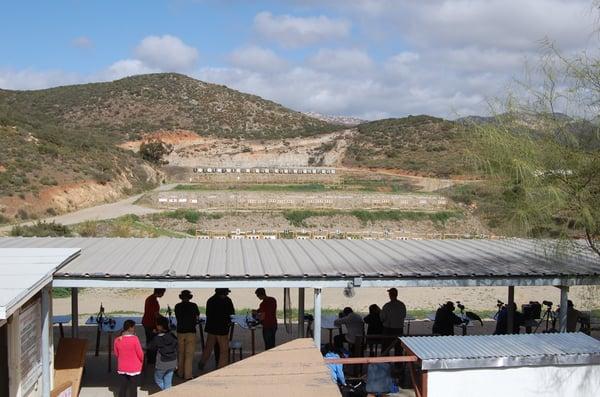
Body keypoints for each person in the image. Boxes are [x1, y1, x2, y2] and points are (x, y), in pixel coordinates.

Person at [198, 288, 235, 370]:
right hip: (222, 329)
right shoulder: (227, 300)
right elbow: (232, 313)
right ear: (223, 293)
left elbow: (208, 313)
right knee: (224, 350)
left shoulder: (210, 300)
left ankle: (202, 363)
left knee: (208, 347)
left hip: (211, 328)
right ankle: (221, 367)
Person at [114, 320, 144, 397]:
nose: (134, 329)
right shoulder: (135, 339)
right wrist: (141, 362)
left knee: (123, 387)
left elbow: (116, 354)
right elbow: (140, 354)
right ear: (130, 328)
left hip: (122, 367)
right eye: (134, 327)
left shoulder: (117, 340)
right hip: (134, 368)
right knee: (133, 388)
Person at [174, 289, 200, 380]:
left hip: (180, 331)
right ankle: (188, 375)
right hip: (191, 331)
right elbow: (197, 317)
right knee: (189, 354)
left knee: (181, 353)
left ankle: (180, 372)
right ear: (189, 298)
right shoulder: (193, 306)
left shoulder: (177, 306)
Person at [149, 317, 178, 390]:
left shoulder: (157, 338)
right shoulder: (172, 336)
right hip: (173, 361)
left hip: (162, 363)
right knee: (168, 381)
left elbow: (151, 347)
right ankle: (168, 392)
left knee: (158, 379)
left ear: (159, 326)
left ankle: (165, 392)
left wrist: (154, 334)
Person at [142, 288, 166, 364]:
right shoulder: (153, 301)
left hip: (147, 322)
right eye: (163, 292)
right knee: (153, 342)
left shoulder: (150, 299)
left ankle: (151, 359)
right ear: (160, 292)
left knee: (150, 341)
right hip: (150, 323)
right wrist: (163, 319)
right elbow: (155, 314)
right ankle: (151, 359)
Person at [380, 288, 406, 354]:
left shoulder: (387, 306)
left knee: (386, 348)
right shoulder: (402, 305)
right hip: (399, 329)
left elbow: (382, 318)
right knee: (398, 348)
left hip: (388, 329)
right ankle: (398, 363)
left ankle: (385, 363)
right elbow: (404, 316)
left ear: (390, 295)